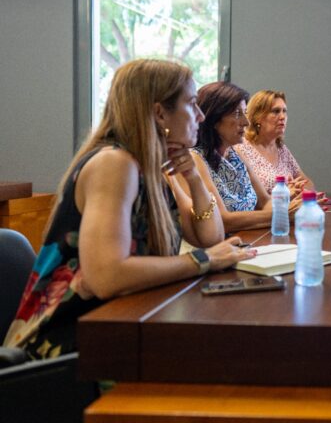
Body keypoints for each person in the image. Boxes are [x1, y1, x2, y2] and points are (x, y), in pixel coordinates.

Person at [3, 59, 255, 360]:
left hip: (117, 325)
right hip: (63, 352)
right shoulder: (114, 164)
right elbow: (107, 276)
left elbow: (210, 236)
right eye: (191, 104)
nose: (201, 116)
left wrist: (194, 178)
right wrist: (204, 261)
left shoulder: (153, 167)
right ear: (160, 112)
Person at [191, 82, 300, 232]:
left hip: (251, 238)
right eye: (237, 114)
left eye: (245, 113)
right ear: (214, 119)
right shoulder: (196, 159)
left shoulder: (236, 153)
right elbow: (223, 219)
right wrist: (281, 213)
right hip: (224, 245)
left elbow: (265, 202)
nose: (246, 122)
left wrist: (293, 206)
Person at [235, 90, 313, 195]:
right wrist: (285, 193)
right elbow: (244, 197)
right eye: (276, 111)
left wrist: (298, 188)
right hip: (261, 210)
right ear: (258, 117)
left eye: (284, 111)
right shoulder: (241, 148)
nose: (282, 117)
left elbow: (309, 184)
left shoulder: (281, 149)